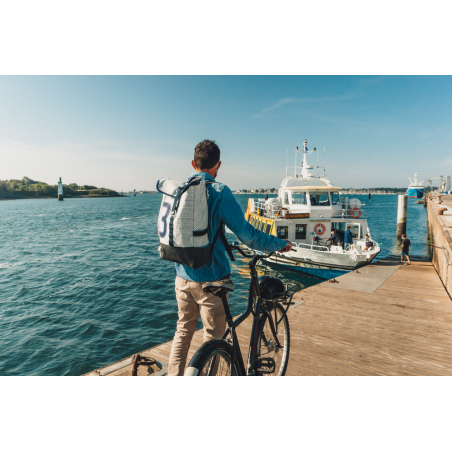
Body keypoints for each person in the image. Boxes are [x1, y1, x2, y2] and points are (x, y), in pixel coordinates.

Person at [167, 140, 292, 376]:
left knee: (182, 331)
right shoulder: (219, 192)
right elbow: (248, 235)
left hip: (182, 276)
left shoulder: (180, 190)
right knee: (212, 338)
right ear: (219, 165)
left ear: (193, 164)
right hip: (211, 279)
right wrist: (279, 244)